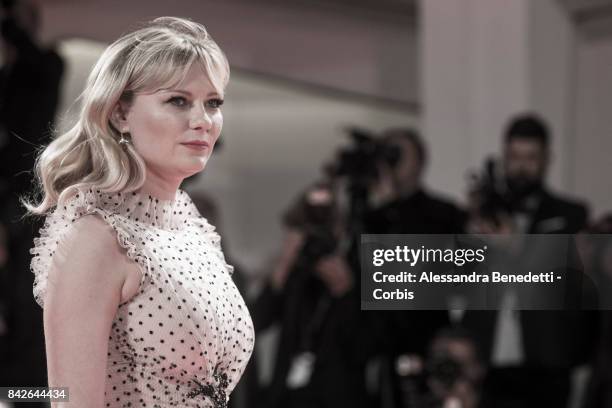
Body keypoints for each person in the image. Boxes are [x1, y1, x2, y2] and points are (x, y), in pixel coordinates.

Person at [22, 17, 254, 407]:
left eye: (213, 103)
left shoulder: (191, 229)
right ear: (119, 114)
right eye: (178, 100)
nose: (203, 121)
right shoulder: (95, 239)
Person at [462, 114, 595, 408]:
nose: (521, 167)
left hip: (545, 364)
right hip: (487, 362)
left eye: (531, 158)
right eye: (514, 157)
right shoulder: (486, 214)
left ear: (547, 159)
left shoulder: (570, 215)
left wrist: (516, 246)